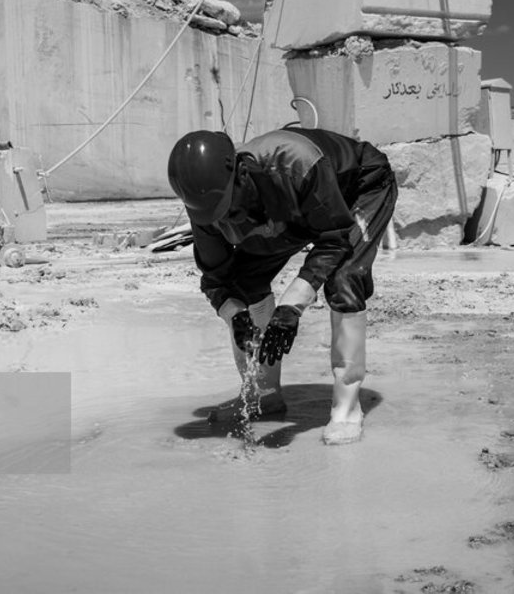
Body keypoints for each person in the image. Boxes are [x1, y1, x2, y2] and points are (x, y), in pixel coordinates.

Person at [166, 127, 397, 445]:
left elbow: (333, 240)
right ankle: (263, 395)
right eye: (217, 217)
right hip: (295, 207)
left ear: (241, 175)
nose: (227, 220)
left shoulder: (294, 163)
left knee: (345, 278)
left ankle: (347, 410)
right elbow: (217, 279)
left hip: (358, 187)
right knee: (243, 283)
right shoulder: (206, 209)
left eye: (229, 210)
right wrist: (234, 315)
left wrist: (291, 307)